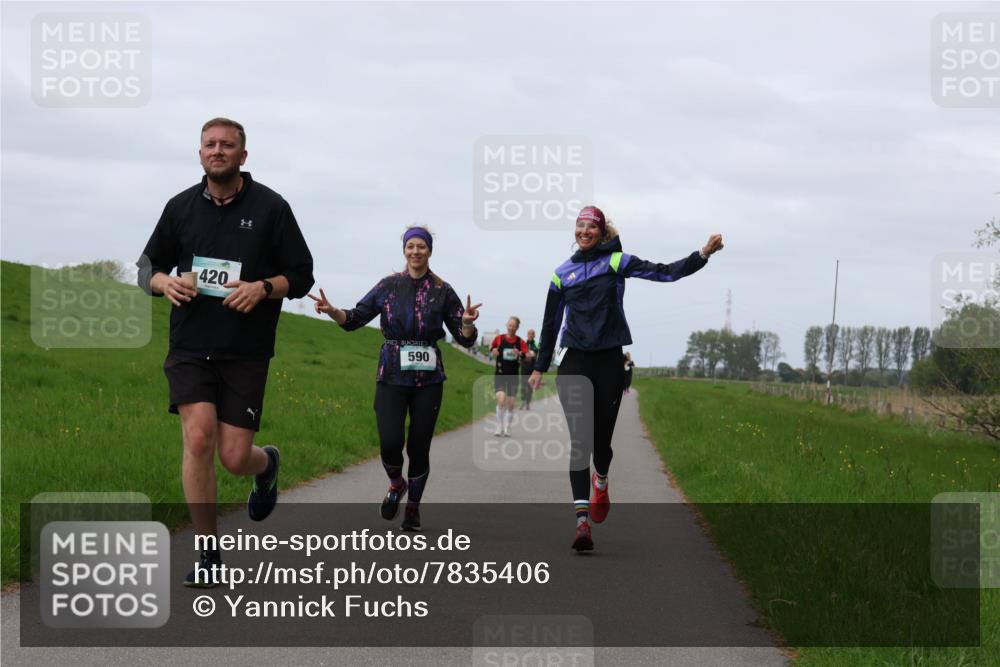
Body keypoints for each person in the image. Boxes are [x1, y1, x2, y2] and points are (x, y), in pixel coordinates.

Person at [137, 118, 315, 586]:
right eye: (210, 144)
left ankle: (266, 463)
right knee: (198, 439)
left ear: (242, 155)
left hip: (245, 350)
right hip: (191, 345)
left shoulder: (272, 208)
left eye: (227, 145)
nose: (218, 151)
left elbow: (302, 274)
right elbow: (146, 268)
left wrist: (262, 287)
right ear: (200, 154)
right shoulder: (179, 208)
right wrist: (163, 282)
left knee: (234, 457)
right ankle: (208, 554)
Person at [529, 205, 723, 551]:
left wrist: (702, 254)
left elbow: (665, 273)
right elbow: (549, 322)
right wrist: (539, 366)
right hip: (574, 360)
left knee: (601, 443)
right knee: (579, 443)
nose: (584, 231)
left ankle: (600, 480)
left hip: (608, 360)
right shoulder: (561, 274)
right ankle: (581, 522)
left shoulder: (617, 262)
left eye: (591, 227)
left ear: (602, 233)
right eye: (579, 226)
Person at [309, 226, 480, 531]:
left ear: (429, 251)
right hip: (391, 374)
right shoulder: (388, 285)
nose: (416, 251)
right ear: (404, 250)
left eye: (421, 247)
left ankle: (413, 507)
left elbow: (465, 339)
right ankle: (396, 483)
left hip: (428, 381)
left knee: (418, 447)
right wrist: (333, 310)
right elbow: (355, 318)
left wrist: (466, 323)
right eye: (411, 246)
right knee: (390, 442)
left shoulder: (442, 290)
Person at [490, 317, 529, 436]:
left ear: (517, 328)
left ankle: (507, 427)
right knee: (501, 399)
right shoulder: (499, 338)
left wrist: (520, 354)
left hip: (513, 376)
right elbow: (491, 348)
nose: (511, 328)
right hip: (500, 374)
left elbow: (527, 355)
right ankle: (499, 426)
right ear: (506, 325)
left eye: (514, 326)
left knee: (511, 404)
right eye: (509, 325)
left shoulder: (520, 341)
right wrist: (493, 352)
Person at [519, 329, 539, 409]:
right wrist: (527, 354)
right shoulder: (524, 344)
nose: (530, 335)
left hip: (532, 368)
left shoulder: (536, 344)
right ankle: (523, 401)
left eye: (532, 334)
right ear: (527, 335)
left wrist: (528, 354)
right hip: (524, 367)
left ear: (534, 335)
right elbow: (522, 354)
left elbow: (534, 354)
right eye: (529, 334)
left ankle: (528, 402)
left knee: (530, 385)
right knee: (523, 385)